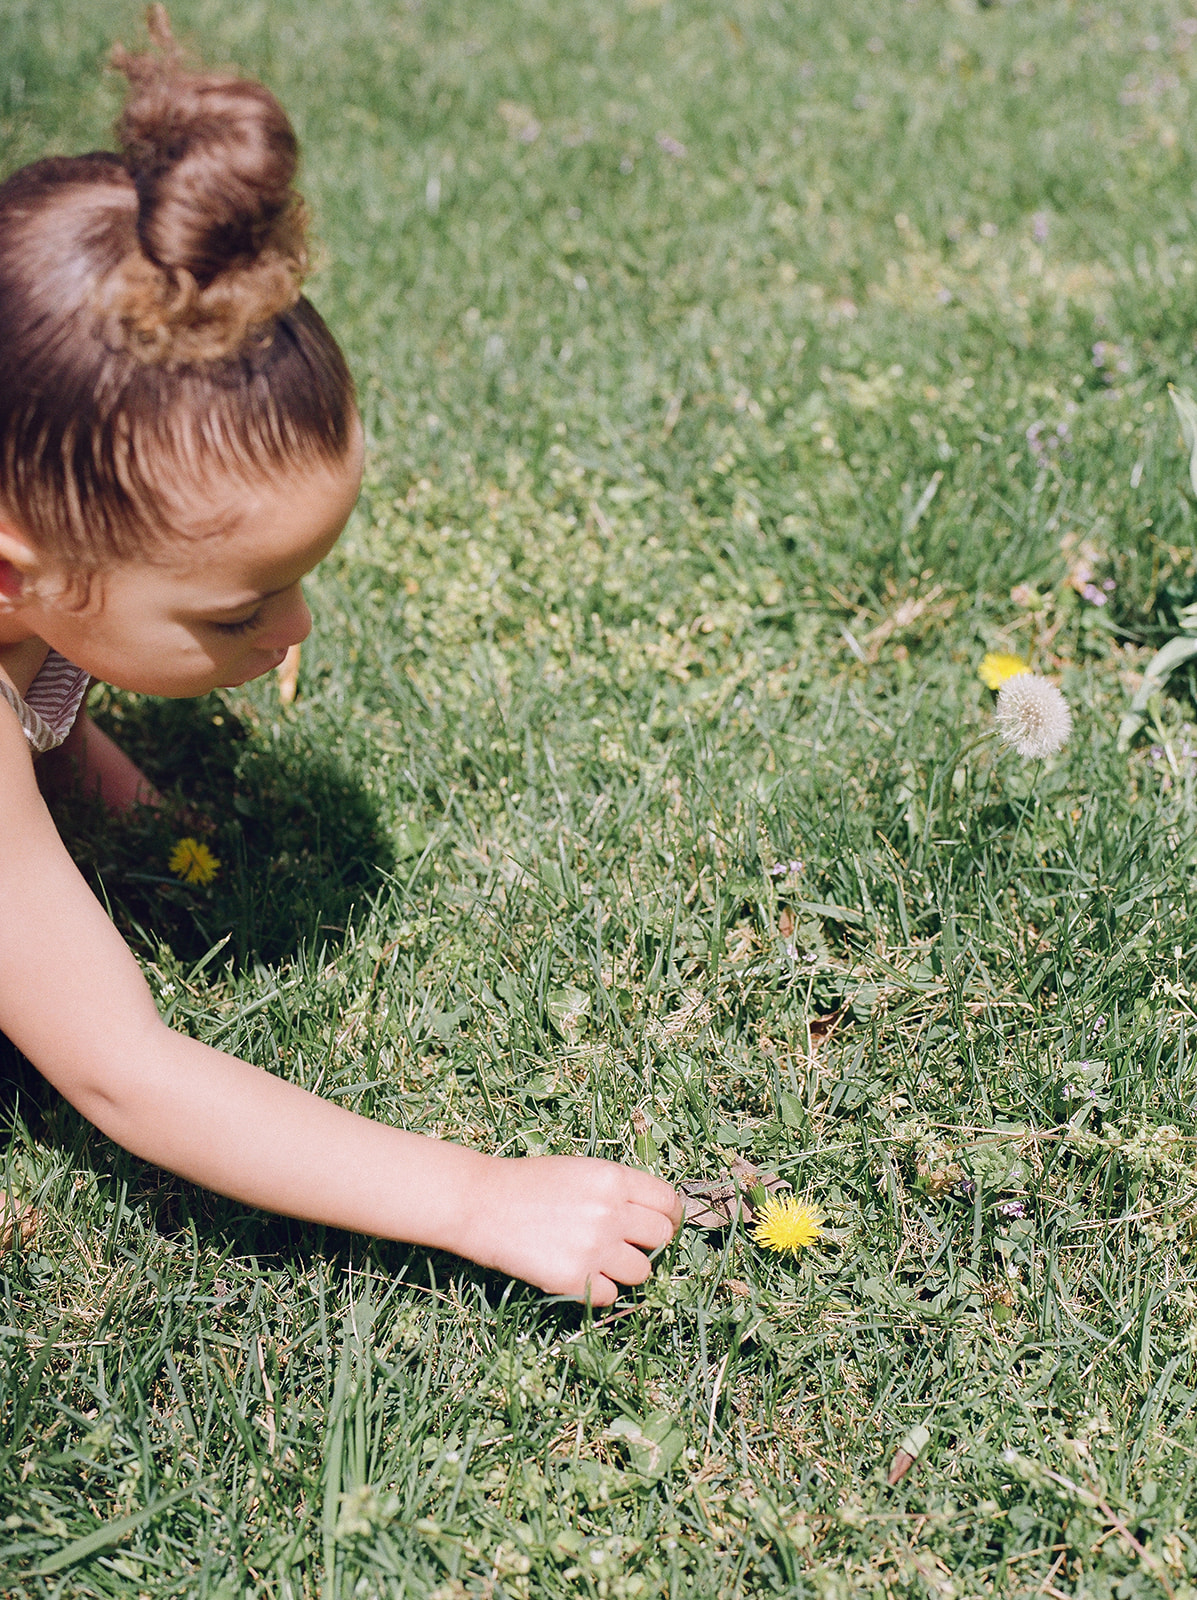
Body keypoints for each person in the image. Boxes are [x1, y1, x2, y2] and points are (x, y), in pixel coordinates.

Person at [0, 9, 681, 1306]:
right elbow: (120, 1070)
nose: (295, 632)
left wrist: (119, 797)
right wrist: (477, 1196)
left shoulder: (35, 573)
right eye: (238, 611)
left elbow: (44, 660)